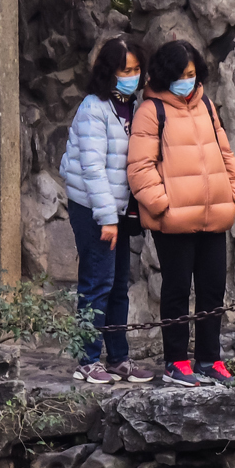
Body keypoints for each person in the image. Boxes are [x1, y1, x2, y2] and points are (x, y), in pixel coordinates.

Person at [126, 40, 235, 387]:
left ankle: (210, 358)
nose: (187, 81)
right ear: (166, 76)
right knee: (177, 290)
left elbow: (224, 152)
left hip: (213, 216)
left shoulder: (206, 105)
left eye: (192, 74)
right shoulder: (151, 111)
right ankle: (176, 361)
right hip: (174, 222)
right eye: (181, 75)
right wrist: (163, 205)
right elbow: (140, 167)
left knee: (212, 290)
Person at [58, 36, 152, 385]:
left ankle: (118, 358)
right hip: (95, 208)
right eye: (125, 70)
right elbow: (93, 168)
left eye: (136, 69)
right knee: (97, 283)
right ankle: (88, 359)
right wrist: (107, 218)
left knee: (118, 286)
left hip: (120, 211)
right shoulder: (93, 108)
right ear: (108, 72)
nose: (132, 75)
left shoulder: (134, 105)